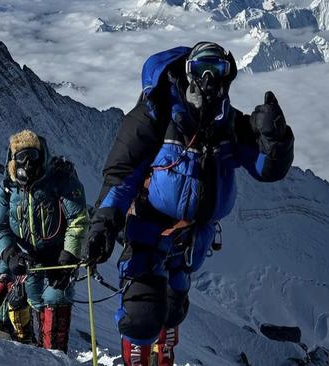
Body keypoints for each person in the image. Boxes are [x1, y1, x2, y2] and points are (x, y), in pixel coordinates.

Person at [85, 42, 294, 366]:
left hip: (193, 239)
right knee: (142, 311)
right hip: (149, 230)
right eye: (200, 70)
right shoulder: (156, 116)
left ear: (228, 77)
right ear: (187, 73)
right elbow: (123, 176)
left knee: (173, 302)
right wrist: (104, 223)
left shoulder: (231, 126)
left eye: (218, 70)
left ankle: (163, 356)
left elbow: (266, 168)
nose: (208, 79)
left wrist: (277, 141)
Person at [0, 130, 89, 352]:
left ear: (41, 154)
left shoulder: (61, 178)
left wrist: (69, 256)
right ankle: (33, 348)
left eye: (33, 156)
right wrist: (10, 254)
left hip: (58, 254)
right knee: (30, 297)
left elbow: (79, 219)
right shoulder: (8, 186)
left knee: (56, 297)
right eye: (22, 157)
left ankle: (54, 352)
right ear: (13, 159)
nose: (28, 163)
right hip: (26, 256)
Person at [0, 264, 34, 343]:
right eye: (3, 279)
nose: (5, 281)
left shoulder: (19, 287)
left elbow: (27, 306)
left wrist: (14, 295)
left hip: (14, 324)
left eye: (8, 279)